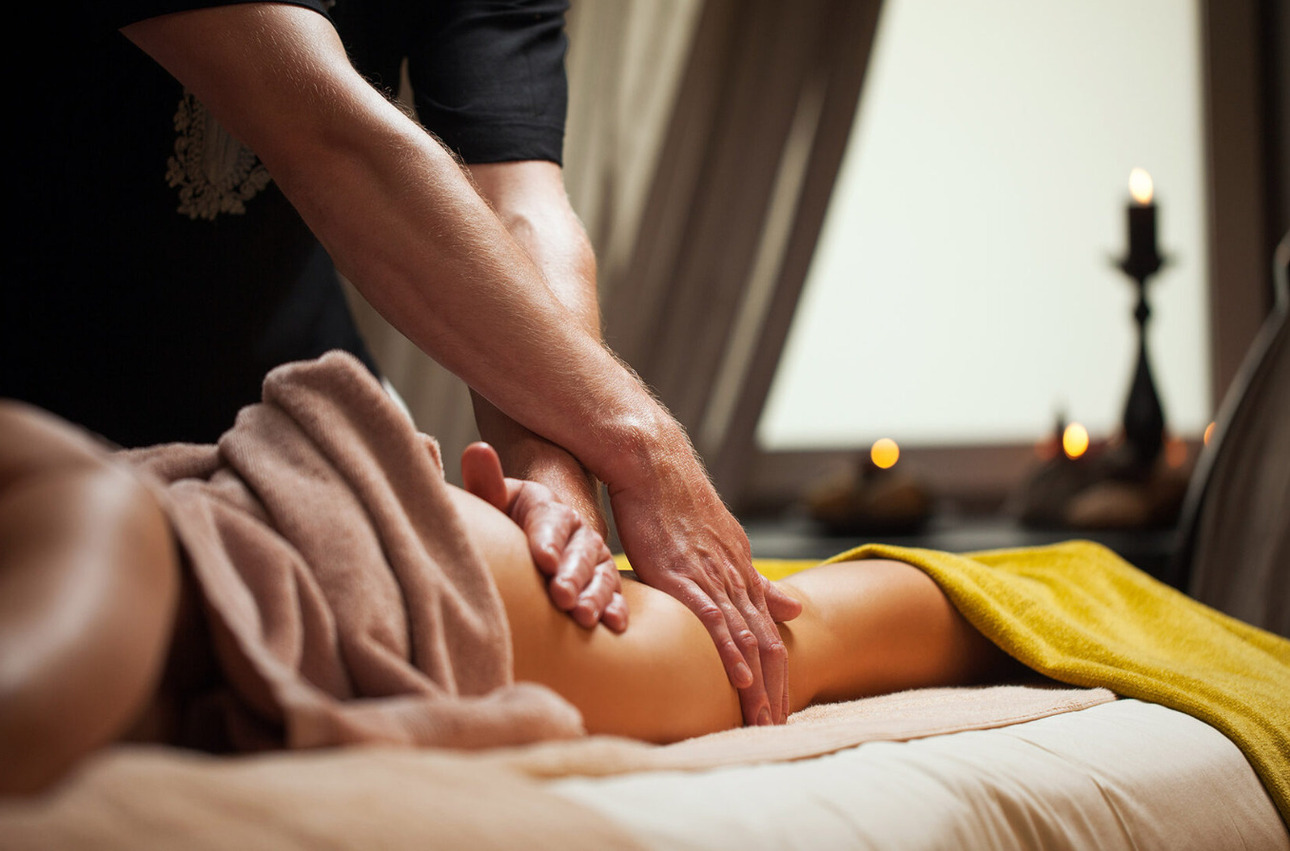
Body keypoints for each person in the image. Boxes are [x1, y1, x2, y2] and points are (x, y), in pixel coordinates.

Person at [4, 0, 799, 727]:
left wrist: (562, 495)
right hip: (42, 425)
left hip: (295, 422)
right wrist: (640, 442)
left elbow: (521, 209)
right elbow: (326, 134)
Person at [0, 395, 1019, 796]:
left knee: (784, 640)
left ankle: (1057, 589)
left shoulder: (79, 516)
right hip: (304, 532)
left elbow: (514, 199)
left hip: (349, 554)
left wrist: (590, 456)